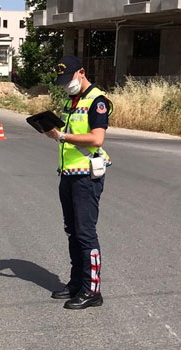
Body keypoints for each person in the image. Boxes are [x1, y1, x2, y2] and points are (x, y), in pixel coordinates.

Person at [43, 55, 113, 310]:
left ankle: (92, 290)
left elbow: (97, 139)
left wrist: (61, 136)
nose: (66, 85)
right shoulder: (70, 100)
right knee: (72, 232)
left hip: (86, 176)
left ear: (81, 72)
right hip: (68, 174)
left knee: (85, 234)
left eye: (68, 79)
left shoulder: (98, 101)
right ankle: (76, 283)